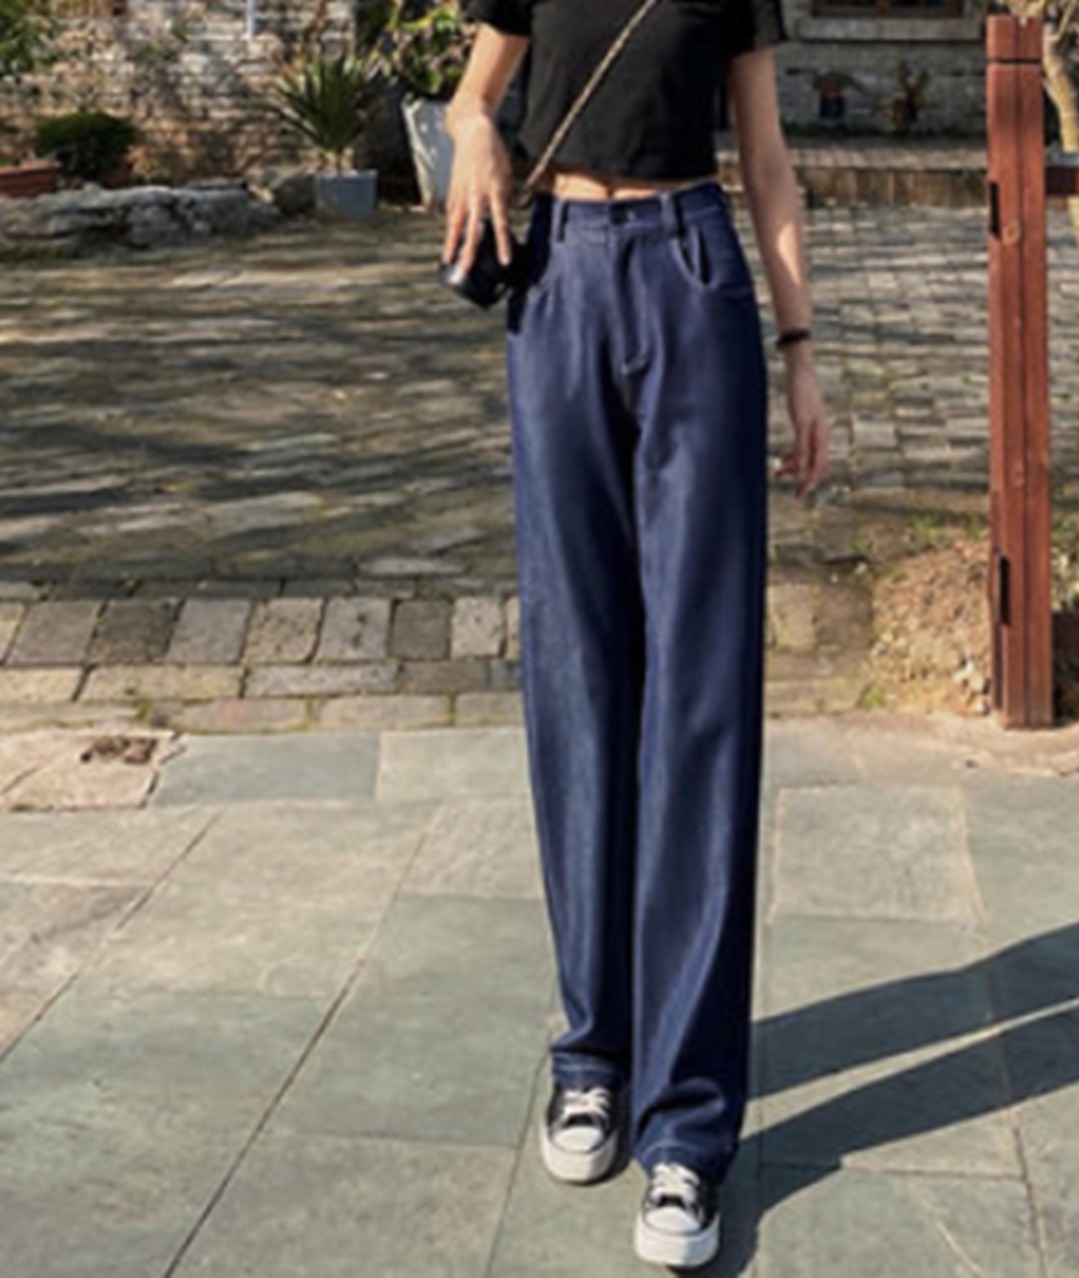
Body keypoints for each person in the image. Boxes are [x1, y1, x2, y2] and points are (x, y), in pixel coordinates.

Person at [443, 0, 830, 1267]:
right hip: (556, 276)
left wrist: (800, 351)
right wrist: (472, 131)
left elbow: (764, 161)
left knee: (700, 699)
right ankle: (591, 1056)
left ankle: (688, 1123)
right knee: (576, 677)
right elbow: (471, 94)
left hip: (688, 269)